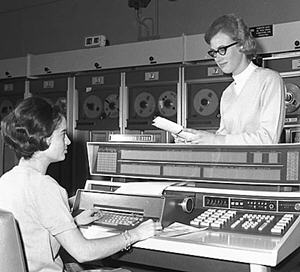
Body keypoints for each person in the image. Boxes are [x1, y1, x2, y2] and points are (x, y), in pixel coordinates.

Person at [0, 96, 160, 272]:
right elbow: (83, 253)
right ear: (44, 139)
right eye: (62, 134)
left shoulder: (7, 180)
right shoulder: (44, 186)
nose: (68, 141)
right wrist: (134, 234)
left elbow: (33, 230)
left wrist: (73, 222)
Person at [177, 14, 285, 145]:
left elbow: (268, 139)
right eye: (214, 52)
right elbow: (223, 139)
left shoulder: (269, 80)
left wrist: (214, 139)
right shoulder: (228, 93)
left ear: (242, 45)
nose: (217, 57)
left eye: (222, 49)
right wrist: (195, 139)